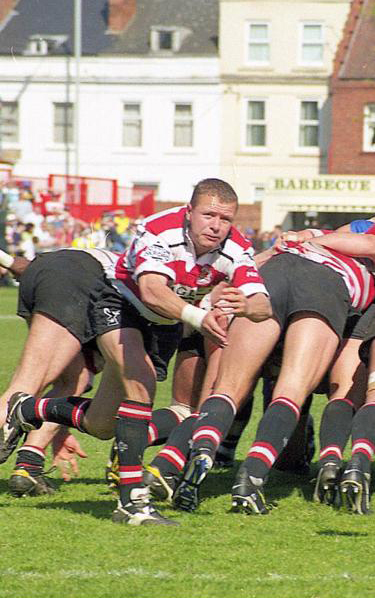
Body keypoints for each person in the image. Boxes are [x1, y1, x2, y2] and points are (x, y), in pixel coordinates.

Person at [4, 178, 272, 526]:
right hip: (120, 302)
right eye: (209, 215)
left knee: (102, 424)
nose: (216, 226)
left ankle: (28, 407)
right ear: (189, 212)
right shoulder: (159, 228)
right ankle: (132, 504)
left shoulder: (236, 246)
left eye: (225, 219)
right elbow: (151, 290)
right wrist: (199, 316)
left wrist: (247, 306)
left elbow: (264, 306)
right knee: (141, 382)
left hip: (164, 324)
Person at [169, 222, 375, 514]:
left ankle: (200, 451)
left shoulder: (327, 236)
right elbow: (368, 245)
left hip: (269, 275)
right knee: (291, 389)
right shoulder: (357, 251)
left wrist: (308, 238)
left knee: (228, 386)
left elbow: (271, 253)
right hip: (324, 282)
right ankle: (250, 479)